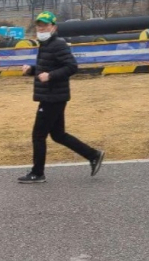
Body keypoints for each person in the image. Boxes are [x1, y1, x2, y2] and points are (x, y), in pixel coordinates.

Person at [19, 11, 104, 184]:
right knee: (58, 134)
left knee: (38, 135)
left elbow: (72, 67)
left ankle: (37, 173)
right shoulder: (46, 44)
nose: (41, 28)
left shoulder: (58, 44)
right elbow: (47, 67)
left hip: (53, 96)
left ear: (54, 27)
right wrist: (32, 70)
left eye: (45, 25)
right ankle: (93, 155)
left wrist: (50, 76)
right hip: (53, 95)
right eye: (39, 25)